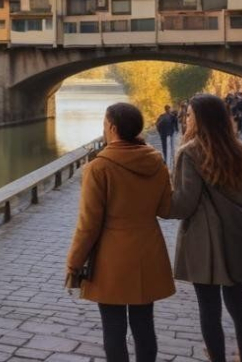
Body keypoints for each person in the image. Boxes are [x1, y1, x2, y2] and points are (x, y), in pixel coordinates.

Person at [67, 103, 174, 362]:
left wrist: (74, 263)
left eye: (104, 124)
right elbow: (166, 208)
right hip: (149, 251)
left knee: (113, 329)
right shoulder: (156, 161)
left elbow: (89, 224)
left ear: (112, 128)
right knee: (144, 326)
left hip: (111, 257)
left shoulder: (98, 168)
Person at [165, 94, 242, 362]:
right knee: (240, 305)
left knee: (209, 308)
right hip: (236, 235)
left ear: (200, 120)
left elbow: (184, 204)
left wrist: (159, 205)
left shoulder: (190, 152)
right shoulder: (240, 150)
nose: (186, 119)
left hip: (203, 239)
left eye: (190, 115)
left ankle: (217, 358)